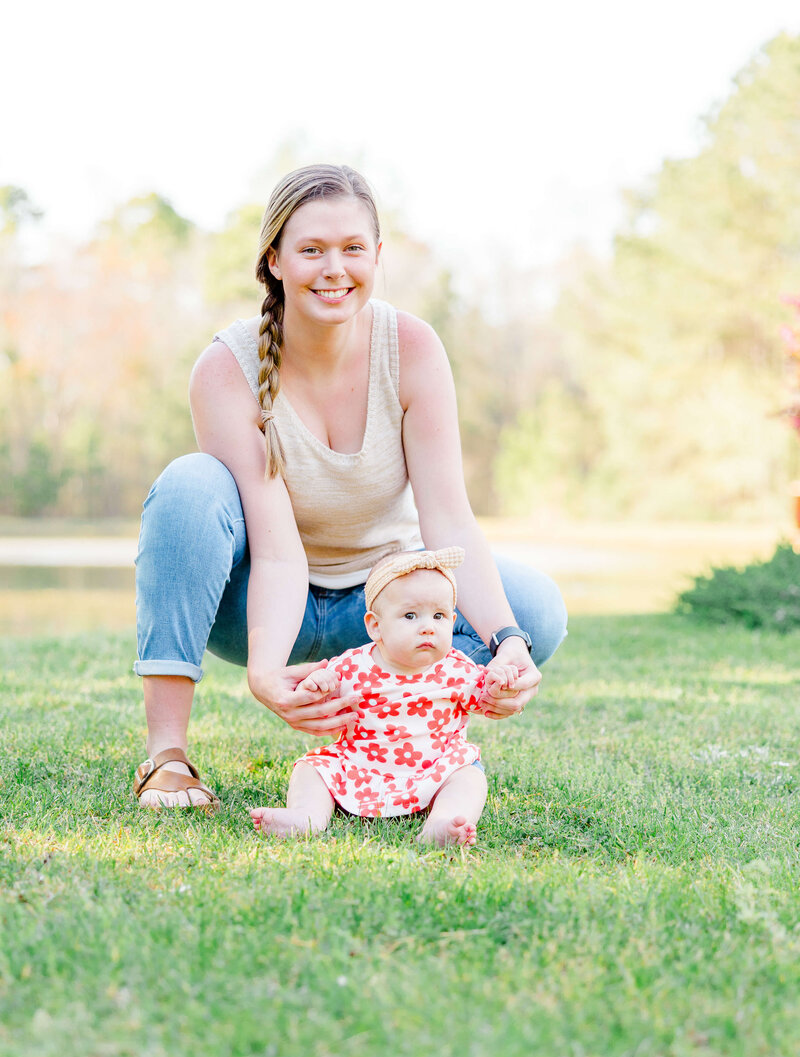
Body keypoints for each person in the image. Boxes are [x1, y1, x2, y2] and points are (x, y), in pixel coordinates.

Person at [132, 163, 567, 811]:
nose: (334, 269)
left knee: (534, 608)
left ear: (378, 256)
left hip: (383, 607)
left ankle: (414, 751)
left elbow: (448, 516)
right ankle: (167, 759)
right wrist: (263, 671)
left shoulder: (413, 348)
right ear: (274, 260)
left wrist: (508, 642)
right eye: (311, 250)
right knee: (188, 486)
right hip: (260, 604)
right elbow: (277, 549)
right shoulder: (228, 368)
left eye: (352, 249)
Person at [250, 547, 519, 846]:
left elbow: (484, 698)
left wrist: (498, 685)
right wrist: (318, 685)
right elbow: (323, 706)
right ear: (375, 626)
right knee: (311, 768)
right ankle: (306, 815)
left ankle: (442, 823)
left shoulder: (457, 668)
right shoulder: (352, 666)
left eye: (439, 616)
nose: (428, 627)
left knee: (469, 774)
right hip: (360, 765)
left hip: (434, 768)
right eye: (410, 615)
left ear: (452, 620)